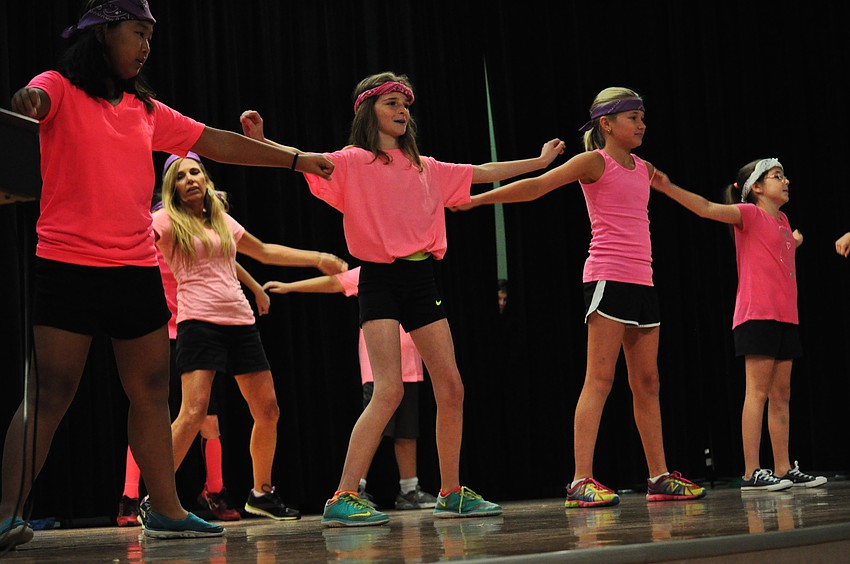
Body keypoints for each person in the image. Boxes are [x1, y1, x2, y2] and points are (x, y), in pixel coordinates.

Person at [0, 0, 333, 548]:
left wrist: (294, 158)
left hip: (133, 269)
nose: (146, 46)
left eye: (150, 37)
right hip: (67, 264)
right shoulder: (58, 85)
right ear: (105, 34)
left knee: (152, 393)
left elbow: (219, 142)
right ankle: (8, 511)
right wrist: (29, 102)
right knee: (51, 393)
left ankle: (168, 509)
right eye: (137, 33)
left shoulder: (146, 109)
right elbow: (33, 100)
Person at [239, 71, 565, 526]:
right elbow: (301, 161)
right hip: (378, 279)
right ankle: (343, 495)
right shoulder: (352, 161)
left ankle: (450, 491)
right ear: (368, 110)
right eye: (391, 102)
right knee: (388, 390)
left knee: (451, 386)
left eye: (405, 105)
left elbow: (487, 173)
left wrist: (539, 160)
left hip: (421, 282)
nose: (402, 111)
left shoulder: (426, 167)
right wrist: (260, 139)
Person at [460, 87, 706, 508]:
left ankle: (659, 476)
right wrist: (477, 199)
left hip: (642, 281)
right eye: (633, 117)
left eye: (643, 117)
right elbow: (537, 186)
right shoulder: (595, 161)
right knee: (601, 379)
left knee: (648, 383)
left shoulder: (643, 167)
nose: (642, 124)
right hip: (608, 278)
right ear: (606, 125)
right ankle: (580, 480)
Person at [154, 152, 348, 521]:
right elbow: (134, 243)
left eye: (196, 172)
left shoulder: (221, 221)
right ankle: (157, 499)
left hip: (241, 323)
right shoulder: (165, 221)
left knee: (268, 411)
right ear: (172, 188)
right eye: (181, 176)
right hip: (199, 322)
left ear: (207, 180)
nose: (191, 179)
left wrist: (318, 256)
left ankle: (261, 493)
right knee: (193, 413)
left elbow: (263, 251)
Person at [651, 159, 827, 492]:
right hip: (756, 315)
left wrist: (795, 240)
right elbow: (704, 208)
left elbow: (780, 248)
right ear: (756, 188)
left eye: (784, 175)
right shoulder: (747, 214)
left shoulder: (784, 220)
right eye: (777, 177)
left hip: (786, 316)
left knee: (782, 395)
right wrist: (667, 187)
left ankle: (784, 467)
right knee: (757, 393)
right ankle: (751, 472)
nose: (786, 180)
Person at [263, 266, 439, 511]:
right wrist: (289, 286)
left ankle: (409, 490)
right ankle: (355, 488)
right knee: (375, 427)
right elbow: (334, 282)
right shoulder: (371, 271)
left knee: (407, 431)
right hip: (378, 368)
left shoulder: (413, 273)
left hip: (410, 366)